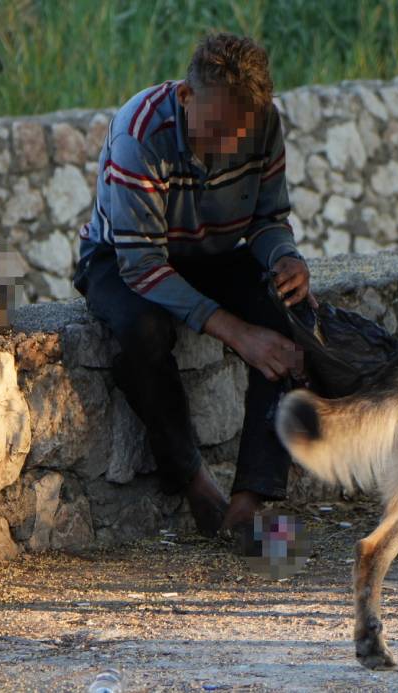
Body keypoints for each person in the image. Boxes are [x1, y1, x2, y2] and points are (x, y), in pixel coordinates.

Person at [73, 32, 311, 536]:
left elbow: (268, 220)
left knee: (291, 314)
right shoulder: (139, 133)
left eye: (240, 136)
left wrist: (285, 256)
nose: (229, 146)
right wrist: (238, 333)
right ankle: (195, 484)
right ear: (185, 97)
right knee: (144, 332)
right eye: (218, 129)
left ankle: (249, 499)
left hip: (214, 252)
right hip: (123, 258)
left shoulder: (263, 121)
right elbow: (142, 266)